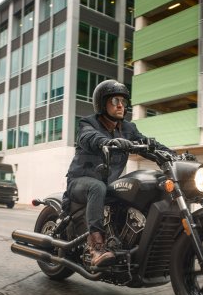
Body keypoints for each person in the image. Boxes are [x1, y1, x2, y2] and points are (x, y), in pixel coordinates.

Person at [65, 80, 174, 267]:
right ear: (102, 103)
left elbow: (146, 144)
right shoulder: (88, 123)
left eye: (123, 101)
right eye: (116, 101)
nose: (121, 105)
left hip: (108, 185)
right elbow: (88, 137)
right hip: (81, 182)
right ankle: (96, 247)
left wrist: (172, 154)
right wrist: (107, 141)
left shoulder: (128, 129)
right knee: (97, 187)